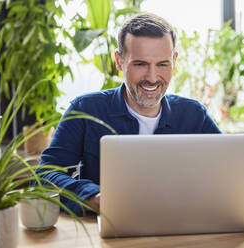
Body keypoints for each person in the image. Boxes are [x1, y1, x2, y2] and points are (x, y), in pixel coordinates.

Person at [36, 13, 221, 216]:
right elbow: (44, 175)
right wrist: (93, 197)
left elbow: (229, 169)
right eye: (140, 64)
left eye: (162, 64)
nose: (152, 78)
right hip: (111, 231)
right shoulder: (85, 110)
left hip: (182, 227)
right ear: (119, 61)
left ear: (174, 62)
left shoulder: (194, 115)